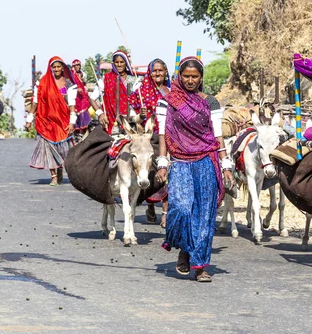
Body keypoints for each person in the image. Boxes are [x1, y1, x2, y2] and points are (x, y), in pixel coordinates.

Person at [155, 56, 234, 282]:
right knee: (181, 208)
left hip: (206, 161)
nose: (190, 81)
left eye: (195, 77)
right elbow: (163, 134)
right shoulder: (168, 102)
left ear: (201, 78)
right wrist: (162, 162)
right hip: (180, 161)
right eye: (186, 76)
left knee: (204, 215)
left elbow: (217, 136)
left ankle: (200, 266)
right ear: (179, 77)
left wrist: (226, 165)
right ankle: (183, 248)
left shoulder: (211, 102)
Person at [128, 59, 171, 227]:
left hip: (169, 137)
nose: (158, 73)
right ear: (150, 73)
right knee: (150, 173)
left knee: (168, 174)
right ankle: (151, 205)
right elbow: (130, 113)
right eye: (155, 71)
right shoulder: (141, 91)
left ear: (166, 72)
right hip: (149, 138)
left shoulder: (172, 91)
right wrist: (140, 115)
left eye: (161, 70)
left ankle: (166, 213)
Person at [26, 57, 77, 186]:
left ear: (63, 68)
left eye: (59, 66)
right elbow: (35, 102)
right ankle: (53, 175)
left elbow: (71, 104)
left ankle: (59, 169)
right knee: (49, 147)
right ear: (50, 68)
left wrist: (72, 121)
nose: (56, 69)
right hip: (45, 120)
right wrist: (29, 119)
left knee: (61, 148)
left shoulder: (68, 84)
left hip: (62, 119)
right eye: (54, 67)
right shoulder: (42, 83)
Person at [99, 51, 141, 135]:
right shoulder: (106, 78)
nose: (119, 64)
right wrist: (100, 114)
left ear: (126, 63)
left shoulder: (133, 80)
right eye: (116, 62)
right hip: (111, 121)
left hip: (130, 121)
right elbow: (92, 98)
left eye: (121, 62)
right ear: (113, 63)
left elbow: (138, 101)